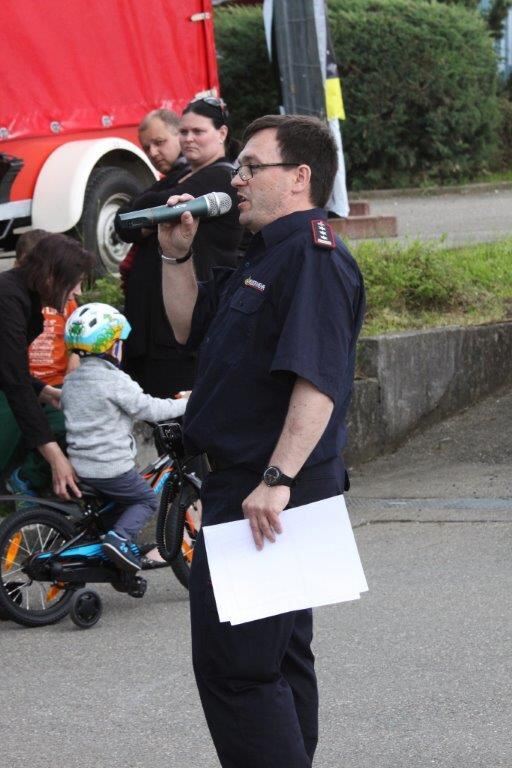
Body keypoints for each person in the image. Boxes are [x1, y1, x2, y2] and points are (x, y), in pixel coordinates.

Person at [159, 114, 365, 767]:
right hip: (247, 487)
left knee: (238, 671)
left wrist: (275, 482)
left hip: (264, 493)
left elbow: (318, 379)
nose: (236, 178)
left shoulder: (313, 256)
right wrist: (175, 252)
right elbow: (189, 324)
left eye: (251, 166)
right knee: (276, 661)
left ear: (299, 177)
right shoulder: (267, 252)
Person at [117, 98, 244, 398]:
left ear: (222, 133)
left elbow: (135, 217)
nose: (188, 139)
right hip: (152, 331)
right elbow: (124, 224)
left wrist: (146, 207)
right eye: (183, 132)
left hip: (181, 333)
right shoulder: (178, 179)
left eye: (197, 132)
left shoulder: (220, 177)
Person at [61, 303, 189, 571]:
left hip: (80, 466)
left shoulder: (72, 381)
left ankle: (112, 555)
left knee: (118, 508)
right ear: (111, 346)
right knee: (146, 500)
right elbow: (152, 409)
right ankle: (118, 540)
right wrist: (190, 402)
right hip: (110, 468)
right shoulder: (114, 381)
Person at [0, 234, 94, 500]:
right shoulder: (8, 298)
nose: (78, 292)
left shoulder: (25, 297)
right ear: (51, 276)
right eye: (74, 283)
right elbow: (14, 382)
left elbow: (7, 369)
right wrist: (55, 457)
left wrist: (45, 392)